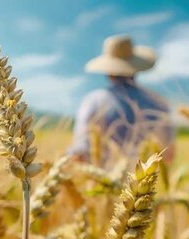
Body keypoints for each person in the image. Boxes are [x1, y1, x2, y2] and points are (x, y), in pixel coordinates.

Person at [68, 34, 176, 164]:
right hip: (147, 180)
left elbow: (80, 151)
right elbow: (168, 155)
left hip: (101, 180)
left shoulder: (93, 101)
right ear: (136, 69)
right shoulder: (159, 102)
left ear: (108, 71)